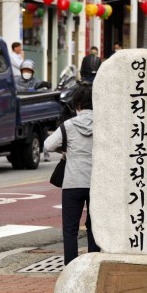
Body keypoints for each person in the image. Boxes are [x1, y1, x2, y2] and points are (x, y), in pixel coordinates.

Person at [43, 84, 100, 265]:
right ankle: (93, 265)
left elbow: (48, 145)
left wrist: (66, 150)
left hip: (73, 182)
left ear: (77, 105)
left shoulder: (68, 125)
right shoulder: (103, 125)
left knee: (70, 229)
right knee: (94, 227)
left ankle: (70, 267)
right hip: (96, 182)